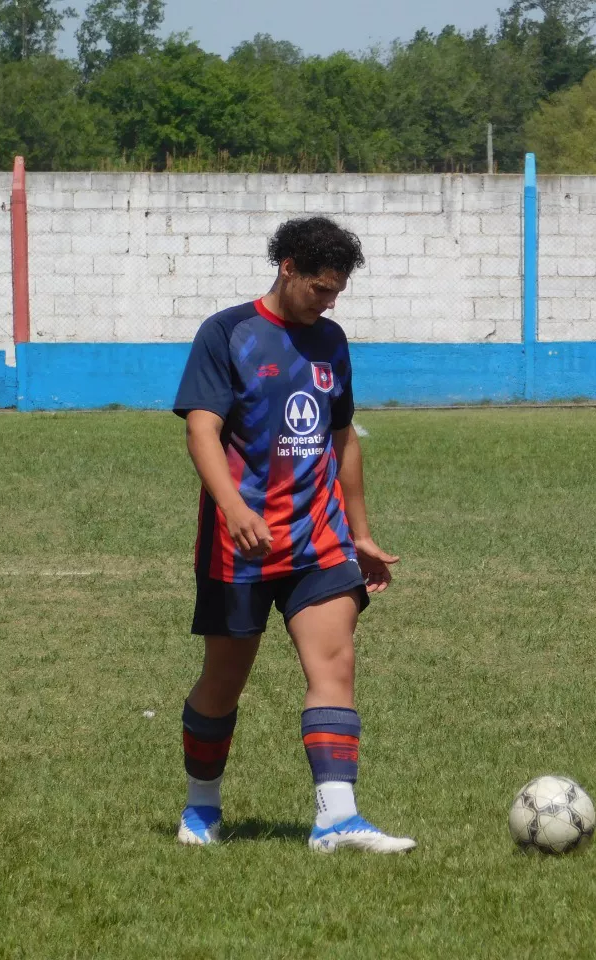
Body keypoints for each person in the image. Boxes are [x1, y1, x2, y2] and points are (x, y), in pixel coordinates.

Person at [171, 216, 415, 854]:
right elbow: (200, 430)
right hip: (242, 544)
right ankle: (201, 806)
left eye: (336, 291)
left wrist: (359, 533)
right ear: (287, 270)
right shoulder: (228, 334)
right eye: (319, 289)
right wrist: (232, 509)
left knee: (335, 662)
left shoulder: (331, 341)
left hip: (319, 540)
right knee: (224, 681)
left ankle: (336, 819)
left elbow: (341, 439)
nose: (328, 302)